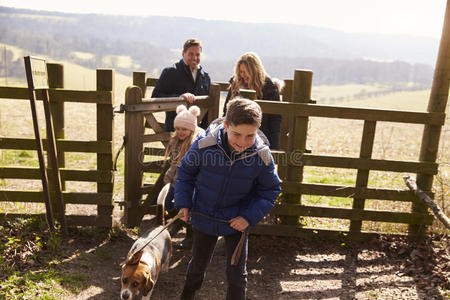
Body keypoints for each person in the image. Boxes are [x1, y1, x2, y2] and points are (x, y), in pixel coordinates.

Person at [174, 98, 282, 300]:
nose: (242, 142)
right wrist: (183, 203)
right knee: (197, 266)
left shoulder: (261, 156)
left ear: (258, 130)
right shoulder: (205, 145)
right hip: (203, 214)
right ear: (225, 125)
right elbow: (185, 172)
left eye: (250, 135)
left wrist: (248, 217)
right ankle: (187, 296)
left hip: (236, 221)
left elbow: (271, 190)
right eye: (237, 134)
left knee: (236, 274)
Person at [162, 104, 204, 249]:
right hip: (174, 182)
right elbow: (173, 164)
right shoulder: (175, 142)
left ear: (191, 129)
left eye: (184, 129)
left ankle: (189, 238)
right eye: (178, 128)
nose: (180, 132)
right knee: (167, 203)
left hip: (189, 184)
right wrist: (168, 177)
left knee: (189, 209)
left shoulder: (194, 146)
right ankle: (179, 221)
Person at [223, 52, 282, 150]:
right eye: (241, 71)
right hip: (235, 137)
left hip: (260, 137)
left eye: (246, 71)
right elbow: (226, 112)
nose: (243, 75)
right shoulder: (235, 86)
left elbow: (275, 120)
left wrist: (274, 146)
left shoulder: (270, 89)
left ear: (255, 70)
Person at [151, 38, 211, 132]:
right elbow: (155, 96)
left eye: (197, 54)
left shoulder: (205, 77)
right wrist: (179, 98)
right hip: (174, 130)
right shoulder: (170, 72)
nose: (194, 58)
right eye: (191, 54)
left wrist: (205, 132)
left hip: (197, 132)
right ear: (183, 53)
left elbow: (208, 107)